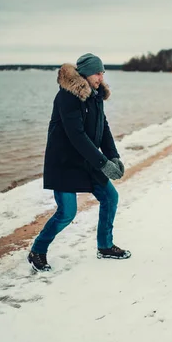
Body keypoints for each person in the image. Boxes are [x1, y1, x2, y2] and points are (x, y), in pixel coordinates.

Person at [28, 53, 131, 272]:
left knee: (110, 198)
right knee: (67, 213)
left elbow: (104, 128)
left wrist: (113, 156)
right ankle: (38, 249)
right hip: (65, 162)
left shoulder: (95, 95)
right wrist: (103, 162)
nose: (101, 77)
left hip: (88, 160)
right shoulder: (67, 96)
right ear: (84, 73)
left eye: (103, 72)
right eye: (97, 72)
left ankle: (105, 246)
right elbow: (76, 135)